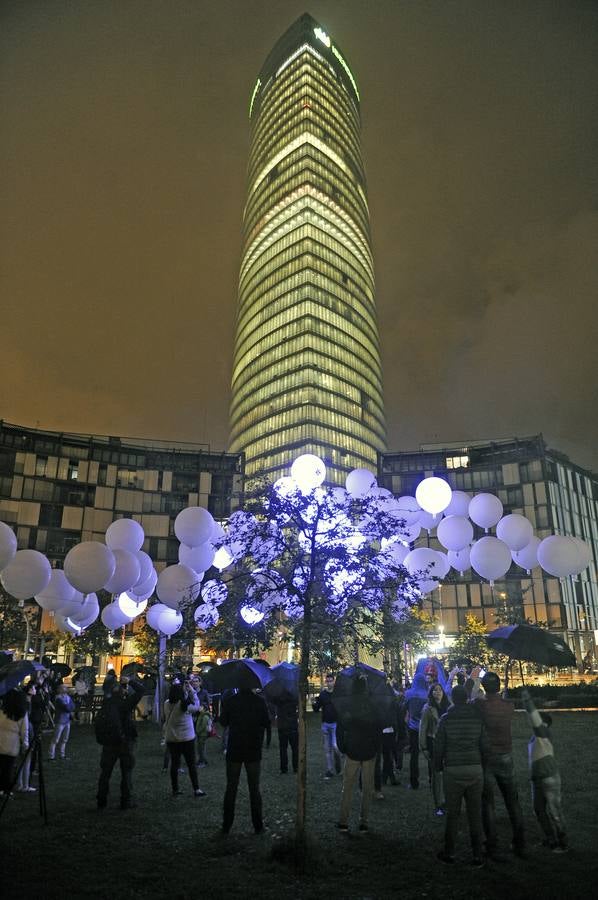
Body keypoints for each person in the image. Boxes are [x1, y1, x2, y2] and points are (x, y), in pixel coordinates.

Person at [434, 685, 489, 867]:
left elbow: (439, 746)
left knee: (453, 814)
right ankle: (477, 854)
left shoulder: (446, 719)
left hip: (453, 770)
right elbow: (484, 745)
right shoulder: (477, 718)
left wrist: (437, 766)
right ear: (466, 698)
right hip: (475, 769)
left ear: (453, 699)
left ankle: (450, 852)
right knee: (475, 813)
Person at [474, 671, 526, 860]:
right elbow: (504, 702)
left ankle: (492, 844)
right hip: (505, 755)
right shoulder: (508, 706)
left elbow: (472, 698)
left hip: (487, 757)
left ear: (485, 687)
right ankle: (520, 843)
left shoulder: (480, 706)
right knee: (513, 801)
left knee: (488, 803)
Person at [219, 677, 271, 835]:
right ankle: (258, 825)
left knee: (231, 788)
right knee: (254, 788)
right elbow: (266, 722)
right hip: (253, 749)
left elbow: (223, 722)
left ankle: (226, 825)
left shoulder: (231, 700)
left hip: (235, 748)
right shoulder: (259, 702)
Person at [520, 688, 567, 852]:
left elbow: (535, 721)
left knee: (555, 812)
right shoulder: (536, 737)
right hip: (538, 779)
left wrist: (527, 702)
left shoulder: (544, 732)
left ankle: (562, 843)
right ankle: (550, 839)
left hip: (548, 777)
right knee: (539, 810)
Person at [336, 675, 381, 833]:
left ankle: (343, 821)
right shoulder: (372, 704)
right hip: (369, 750)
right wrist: (377, 746)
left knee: (347, 787)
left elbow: (340, 727)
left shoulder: (347, 704)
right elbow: (378, 727)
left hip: (352, 749)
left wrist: (343, 747)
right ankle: (364, 822)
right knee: (367, 788)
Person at [96, 675, 144, 810]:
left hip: (109, 742)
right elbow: (141, 691)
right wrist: (130, 681)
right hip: (125, 741)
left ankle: (101, 799)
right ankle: (126, 800)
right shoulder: (125, 703)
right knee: (126, 772)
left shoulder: (106, 703)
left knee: (105, 772)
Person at [163, 681, 206, 798]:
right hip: (187, 738)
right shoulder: (184, 705)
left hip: (172, 738)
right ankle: (196, 789)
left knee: (175, 764)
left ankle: (175, 789)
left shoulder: (167, 704)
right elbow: (197, 706)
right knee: (191, 764)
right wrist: (191, 690)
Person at [419, 682, 450, 815]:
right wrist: (424, 747)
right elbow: (422, 729)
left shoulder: (449, 707)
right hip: (433, 743)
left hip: (447, 743)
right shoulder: (427, 708)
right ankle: (439, 803)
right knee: (437, 775)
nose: (438, 692)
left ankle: (448, 800)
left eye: (439, 690)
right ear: (431, 693)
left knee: (448, 774)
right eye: (435, 690)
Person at [0, 689, 29, 798]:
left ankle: (2, 788)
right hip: (12, 744)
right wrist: (25, 744)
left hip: (1, 741)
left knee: (2, 766)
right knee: (8, 768)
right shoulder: (22, 713)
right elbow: (24, 731)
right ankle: (6, 790)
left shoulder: (2, 711)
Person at [312, 673, 342, 779]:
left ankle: (338, 765)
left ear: (334, 682)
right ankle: (329, 770)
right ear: (326, 682)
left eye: (331, 680)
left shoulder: (337, 694)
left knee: (335, 746)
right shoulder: (323, 695)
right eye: (328, 681)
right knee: (327, 749)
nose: (329, 683)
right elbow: (316, 709)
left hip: (335, 724)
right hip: (325, 724)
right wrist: (314, 703)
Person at [272, 689, 299, 775]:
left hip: (282, 725)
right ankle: (296, 767)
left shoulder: (278, 697)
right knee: (295, 748)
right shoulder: (294, 696)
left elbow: (271, 700)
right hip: (292, 725)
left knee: (283, 748)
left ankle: (284, 768)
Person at [48, 684, 75, 760]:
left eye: (65, 687)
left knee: (65, 739)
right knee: (55, 739)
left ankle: (62, 755)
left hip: (67, 721)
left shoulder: (67, 697)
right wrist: (69, 706)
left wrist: (69, 706)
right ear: (59, 689)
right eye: (63, 687)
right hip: (60, 721)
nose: (65, 688)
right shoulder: (58, 698)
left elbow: (72, 706)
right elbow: (67, 707)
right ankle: (51, 756)